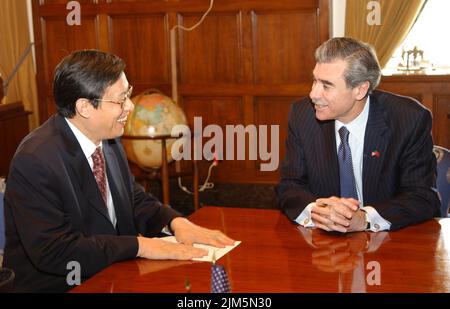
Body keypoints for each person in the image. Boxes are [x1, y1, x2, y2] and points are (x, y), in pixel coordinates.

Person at [3, 50, 234, 292]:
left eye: (129, 95)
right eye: (120, 99)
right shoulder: (36, 160)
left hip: (113, 275)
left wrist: (175, 222)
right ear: (84, 107)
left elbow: (132, 199)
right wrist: (140, 246)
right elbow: (55, 251)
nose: (130, 106)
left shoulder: (108, 140)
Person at [276, 37, 440, 233]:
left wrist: (364, 218)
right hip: (323, 246)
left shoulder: (409, 120)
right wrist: (316, 211)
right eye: (315, 80)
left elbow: (421, 197)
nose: (314, 94)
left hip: (388, 245)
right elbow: (290, 185)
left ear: (360, 89)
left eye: (326, 85)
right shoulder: (302, 115)